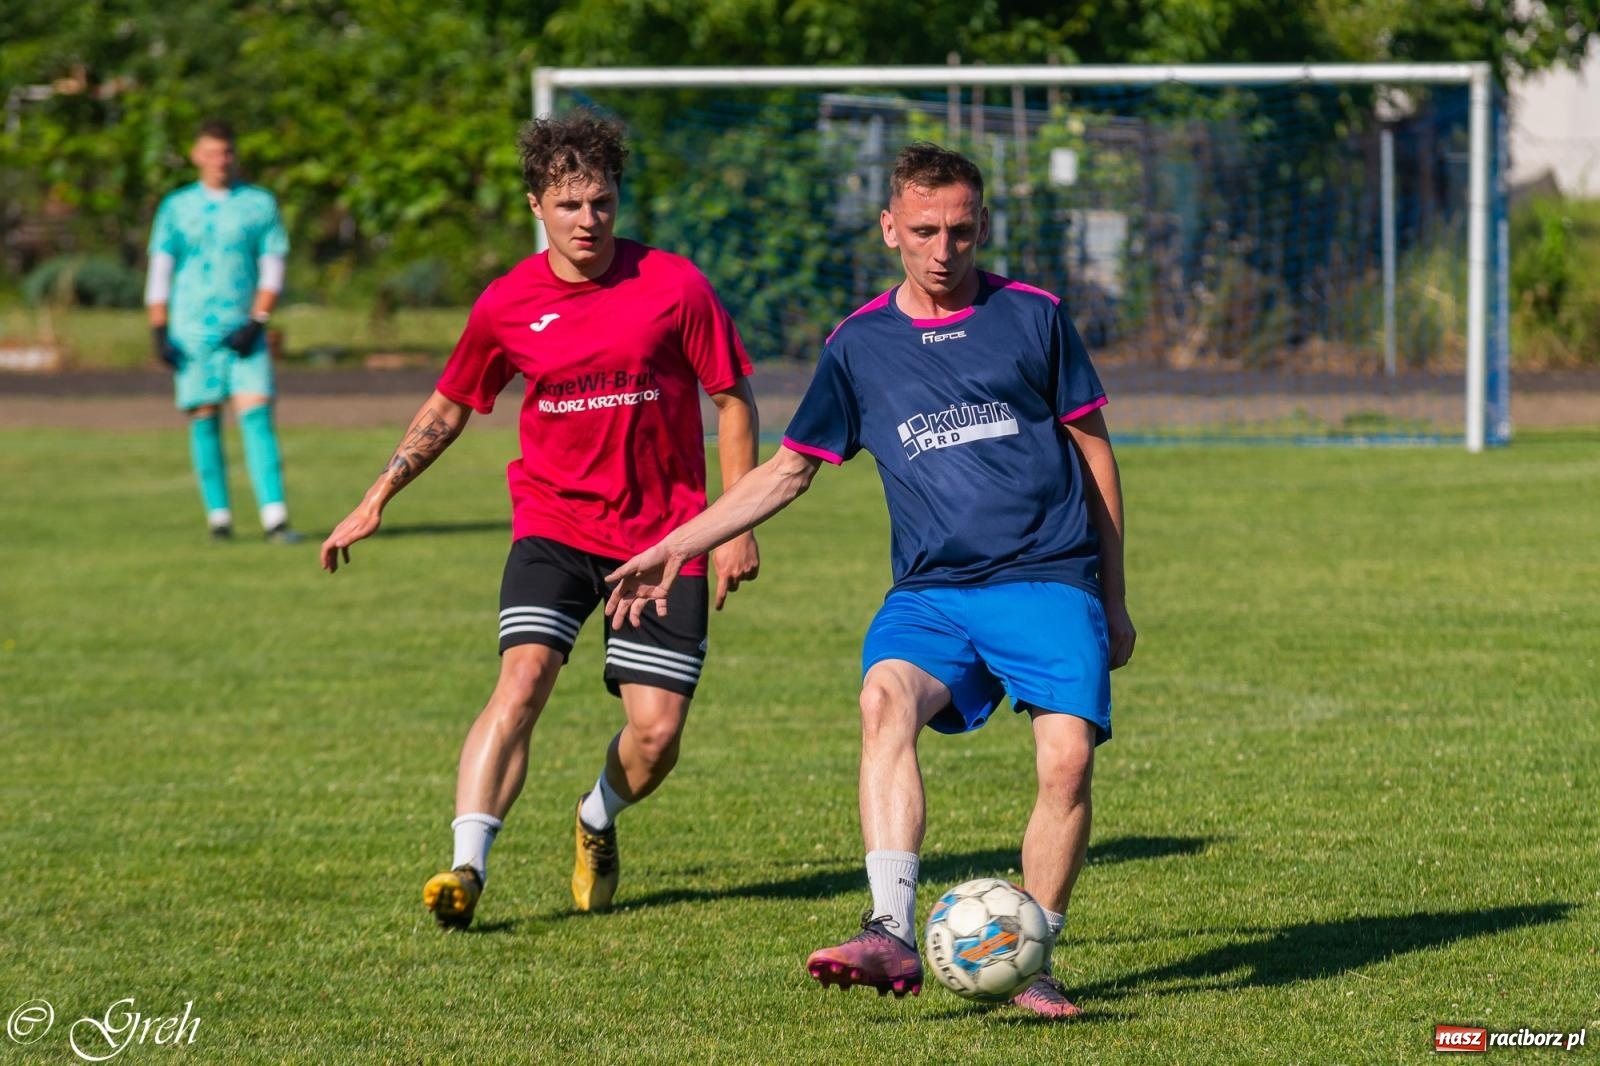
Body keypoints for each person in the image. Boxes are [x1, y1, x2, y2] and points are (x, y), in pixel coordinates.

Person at [604, 142, 1135, 1019]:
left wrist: (1111, 598)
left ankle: (1033, 959)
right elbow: (787, 471)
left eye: (960, 231)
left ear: (982, 226)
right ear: (890, 228)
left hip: (1046, 577)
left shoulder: (1034, 316)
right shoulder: (858, 345)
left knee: (1068, 760)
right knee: (884, 699)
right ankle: (889, 929)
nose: (942, 250)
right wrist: (677, 545)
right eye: (923, 231)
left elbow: (1096, 455)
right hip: (931, 593)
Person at [318, 111, 761, 929]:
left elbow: (732, 400)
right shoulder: (507, 303)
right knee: (521, 680)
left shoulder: (675, 285)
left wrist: (734, 523)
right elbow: (451, 404)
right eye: (569, 205)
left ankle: (596, 815)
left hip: (666, 538)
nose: (588, 220)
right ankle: (466, 868)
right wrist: (378, 493)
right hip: (554, 525)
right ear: (535, 206)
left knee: (656, 735)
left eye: (602, 201)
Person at [146, 119, 300, 543]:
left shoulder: (258, 204)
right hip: (191, 330)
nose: (220, 161)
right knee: (204, 417)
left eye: (226, 152)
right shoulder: (176, 207)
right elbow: (160, 269)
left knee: (257, 414)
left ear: (236, 155)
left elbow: (273, 266)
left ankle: (275, 517)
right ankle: (219, 517)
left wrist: (258, 319)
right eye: (211, 152)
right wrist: (159, 328)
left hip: (243, 328)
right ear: (196, 155)